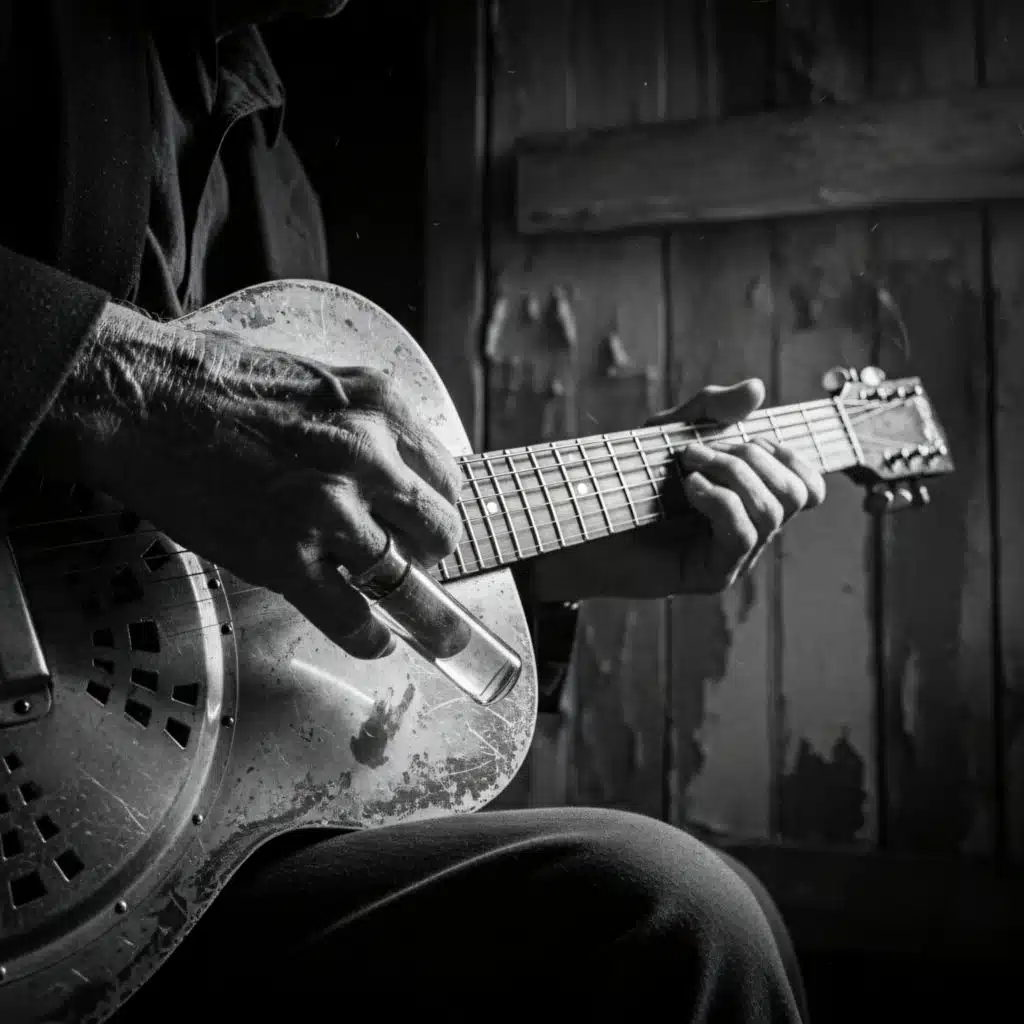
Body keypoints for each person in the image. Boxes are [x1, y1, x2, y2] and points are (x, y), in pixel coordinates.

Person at [0, 2, 826, 1018]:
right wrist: (125, 384)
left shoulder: (276, 177)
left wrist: (543, 567)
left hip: (160, 863)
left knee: (690, 915)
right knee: (680, 915)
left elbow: (253, 603)